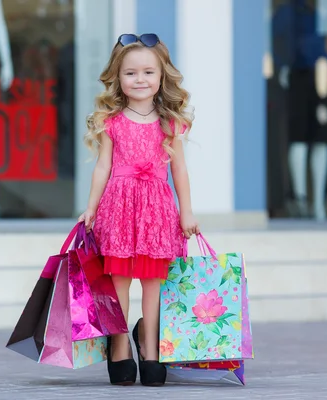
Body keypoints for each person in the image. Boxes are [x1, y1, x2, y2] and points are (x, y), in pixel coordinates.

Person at [78, 33, 199, 386]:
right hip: (118, 207)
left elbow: (179, 171)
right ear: (118, 78)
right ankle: (118, 345)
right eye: (131, 73)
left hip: (157, 209)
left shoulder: (169, 122)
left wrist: (186, 212)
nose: (140, 79)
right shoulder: (112, 121)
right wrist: (91, 208)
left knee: (154, 282)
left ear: (162, 77)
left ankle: (151, 347)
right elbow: (102, 167)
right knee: (118, 280)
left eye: (148, 72)